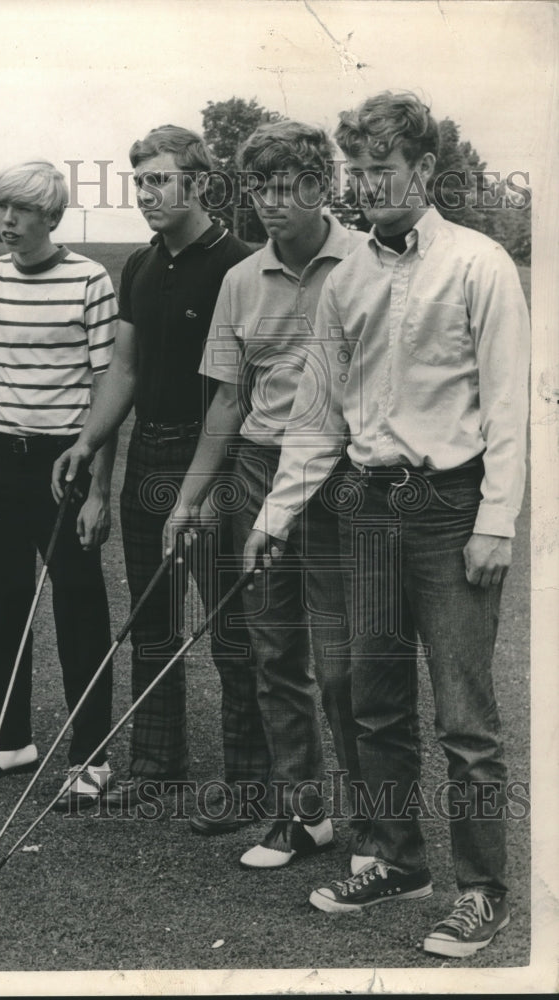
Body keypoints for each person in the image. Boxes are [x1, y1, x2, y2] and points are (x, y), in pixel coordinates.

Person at [244, 91, 530, 958]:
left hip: (451, 513)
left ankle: (483, 891)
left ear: (425, 172)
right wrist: (275, 514)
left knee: (466, 719)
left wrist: (497, 522)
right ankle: (394, 858)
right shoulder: (349, 280)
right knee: (374, 706)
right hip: (364, 509)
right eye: (357, 171)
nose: (366, 186)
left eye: (383, 169)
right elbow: (318, 414)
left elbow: (512, 407)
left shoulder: (480, 265)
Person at [53, 125, 269, 831]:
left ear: (201, 182)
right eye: (139, 182)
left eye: (161, 180)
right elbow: (124, 369)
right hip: (147, 449)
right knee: (153, 618)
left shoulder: (239, 264)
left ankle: (248, 782)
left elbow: (235, 393)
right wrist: (87, 443)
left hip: (216, 458)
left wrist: (199, 493)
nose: (147, 194)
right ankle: (157, 766)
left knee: (230, 627)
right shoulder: (141, 265)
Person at [164, 120, 368, 869]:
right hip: (255, 470)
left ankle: (375, 824)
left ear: (322, 187)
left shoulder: (366, 266)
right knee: (274, 652)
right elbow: (225, 401)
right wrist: (188, 501)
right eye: (259, 188)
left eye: (287, 188)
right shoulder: (240, 279)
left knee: (346, 662)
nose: (270, 203)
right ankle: (301, 812)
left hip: (345, 478)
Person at [0, 161, 118, 810]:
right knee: (6, 598)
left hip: (65, 462)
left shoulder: (89, 279)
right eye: (0, 210)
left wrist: (99, 488)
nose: (7, 223)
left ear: (52, 217)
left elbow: (109, 387)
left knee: (78, 601)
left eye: (20, 212)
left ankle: (91, 755)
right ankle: (10, 739)